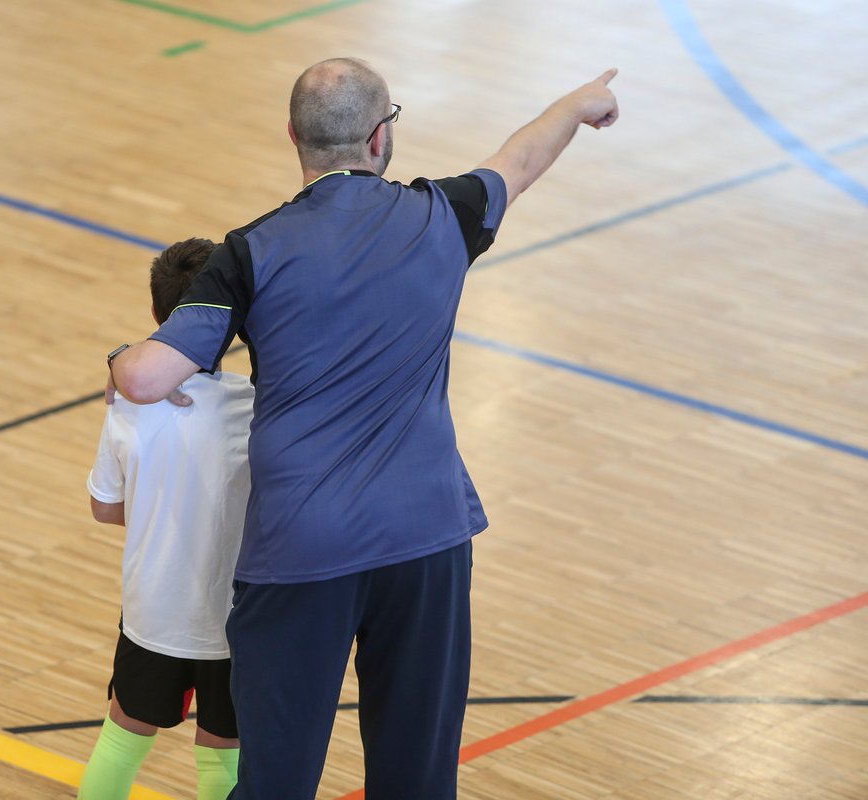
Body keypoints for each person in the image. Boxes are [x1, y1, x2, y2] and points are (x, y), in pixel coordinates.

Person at [108, 58, 619, 799]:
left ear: (294, 136)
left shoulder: (250, 252)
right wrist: (575, 106)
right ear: (381, 138)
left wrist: (121, 360)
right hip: (426, 541)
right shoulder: (444, 216)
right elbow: (518, 160)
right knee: (415, 776)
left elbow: (148, 379)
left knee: (275, 777)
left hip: (301, 554)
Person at [82, 237, 254, 800]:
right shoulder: (258, 406)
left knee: (122, 738)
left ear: (157, 316)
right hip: (232, 622)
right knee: (221, 760)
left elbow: (105, 507)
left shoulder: (131, 403)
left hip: (153, 609)